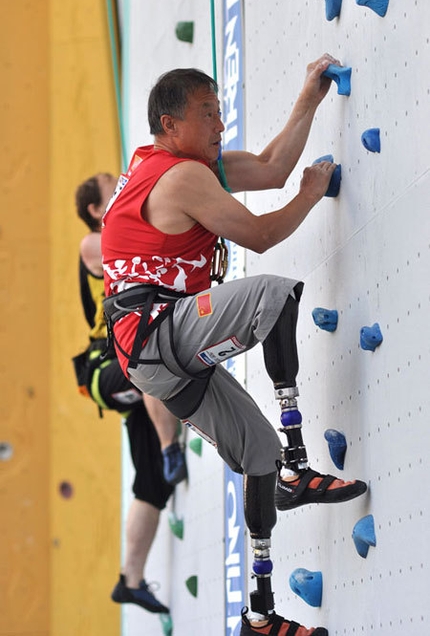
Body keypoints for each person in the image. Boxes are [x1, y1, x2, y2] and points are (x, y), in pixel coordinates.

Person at [101, 54, 367, 635]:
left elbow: (271, 167)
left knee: (256, 455)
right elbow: (262, 235)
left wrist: (309, 96)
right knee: (273, 295)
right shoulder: (183, 175)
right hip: (156, 331)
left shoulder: (179, 164)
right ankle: (299, 469)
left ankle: (260, 616)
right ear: (170, 126)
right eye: (208, 113)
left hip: (151, 357)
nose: (221, 124)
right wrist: (312, 192)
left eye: (220, 110)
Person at [74, 172, 187, 613]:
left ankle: (130, 579)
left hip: (125, 359)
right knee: (146, 363)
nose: (121, 188)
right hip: (105, 367)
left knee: (152, 485)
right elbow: (136, 249)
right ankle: (170, 445)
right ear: (96, 211)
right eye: (111, 189)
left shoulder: (115, 227)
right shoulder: (91, 243)